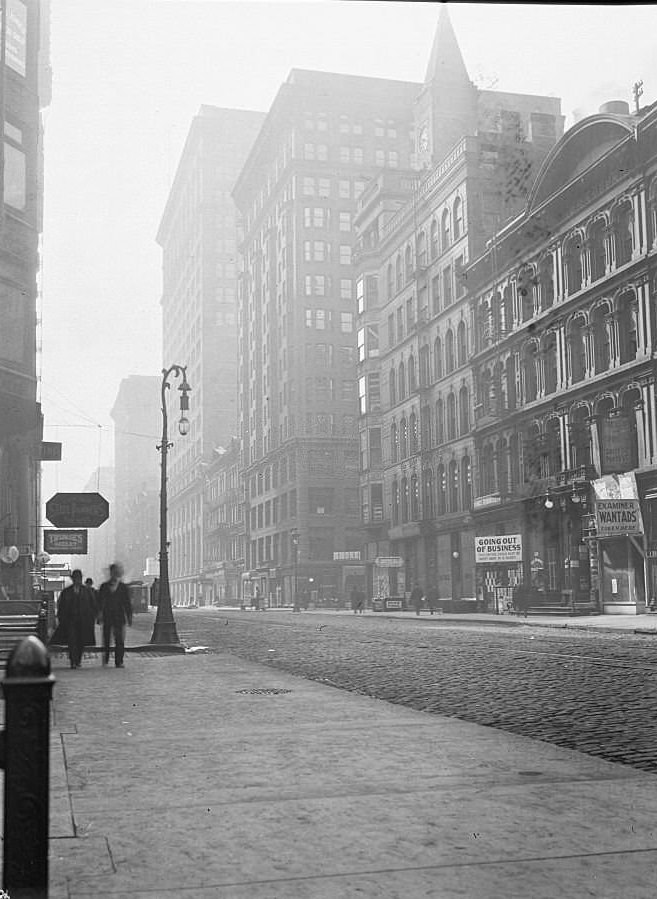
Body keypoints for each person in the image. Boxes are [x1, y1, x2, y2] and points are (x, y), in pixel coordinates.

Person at [56, 569, 97, 669]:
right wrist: (62, 619)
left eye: (79, 578)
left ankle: (78, 660)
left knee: (80, 641)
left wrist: (92, 618)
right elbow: (61, 606)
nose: (78, 580)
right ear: (73, 579)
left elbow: (93, 605)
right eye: (76, 578)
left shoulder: (87, 591)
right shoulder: (66, 592)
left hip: (83, 621)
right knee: (72, 641)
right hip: (70, 621)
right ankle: (73, 661)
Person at [98, 563, 133, 668]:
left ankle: (119, 661)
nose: (115, 574)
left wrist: (129, 616)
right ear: (111, 573)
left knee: (119, 640)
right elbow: (99, 602)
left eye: (116, 572)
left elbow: (127, 603)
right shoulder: (104, 586)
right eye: (113, 572)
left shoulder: (123, 587)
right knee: (107, 640)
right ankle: (106, 659)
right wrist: (99, 615)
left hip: (119, 617)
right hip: (107, 616)